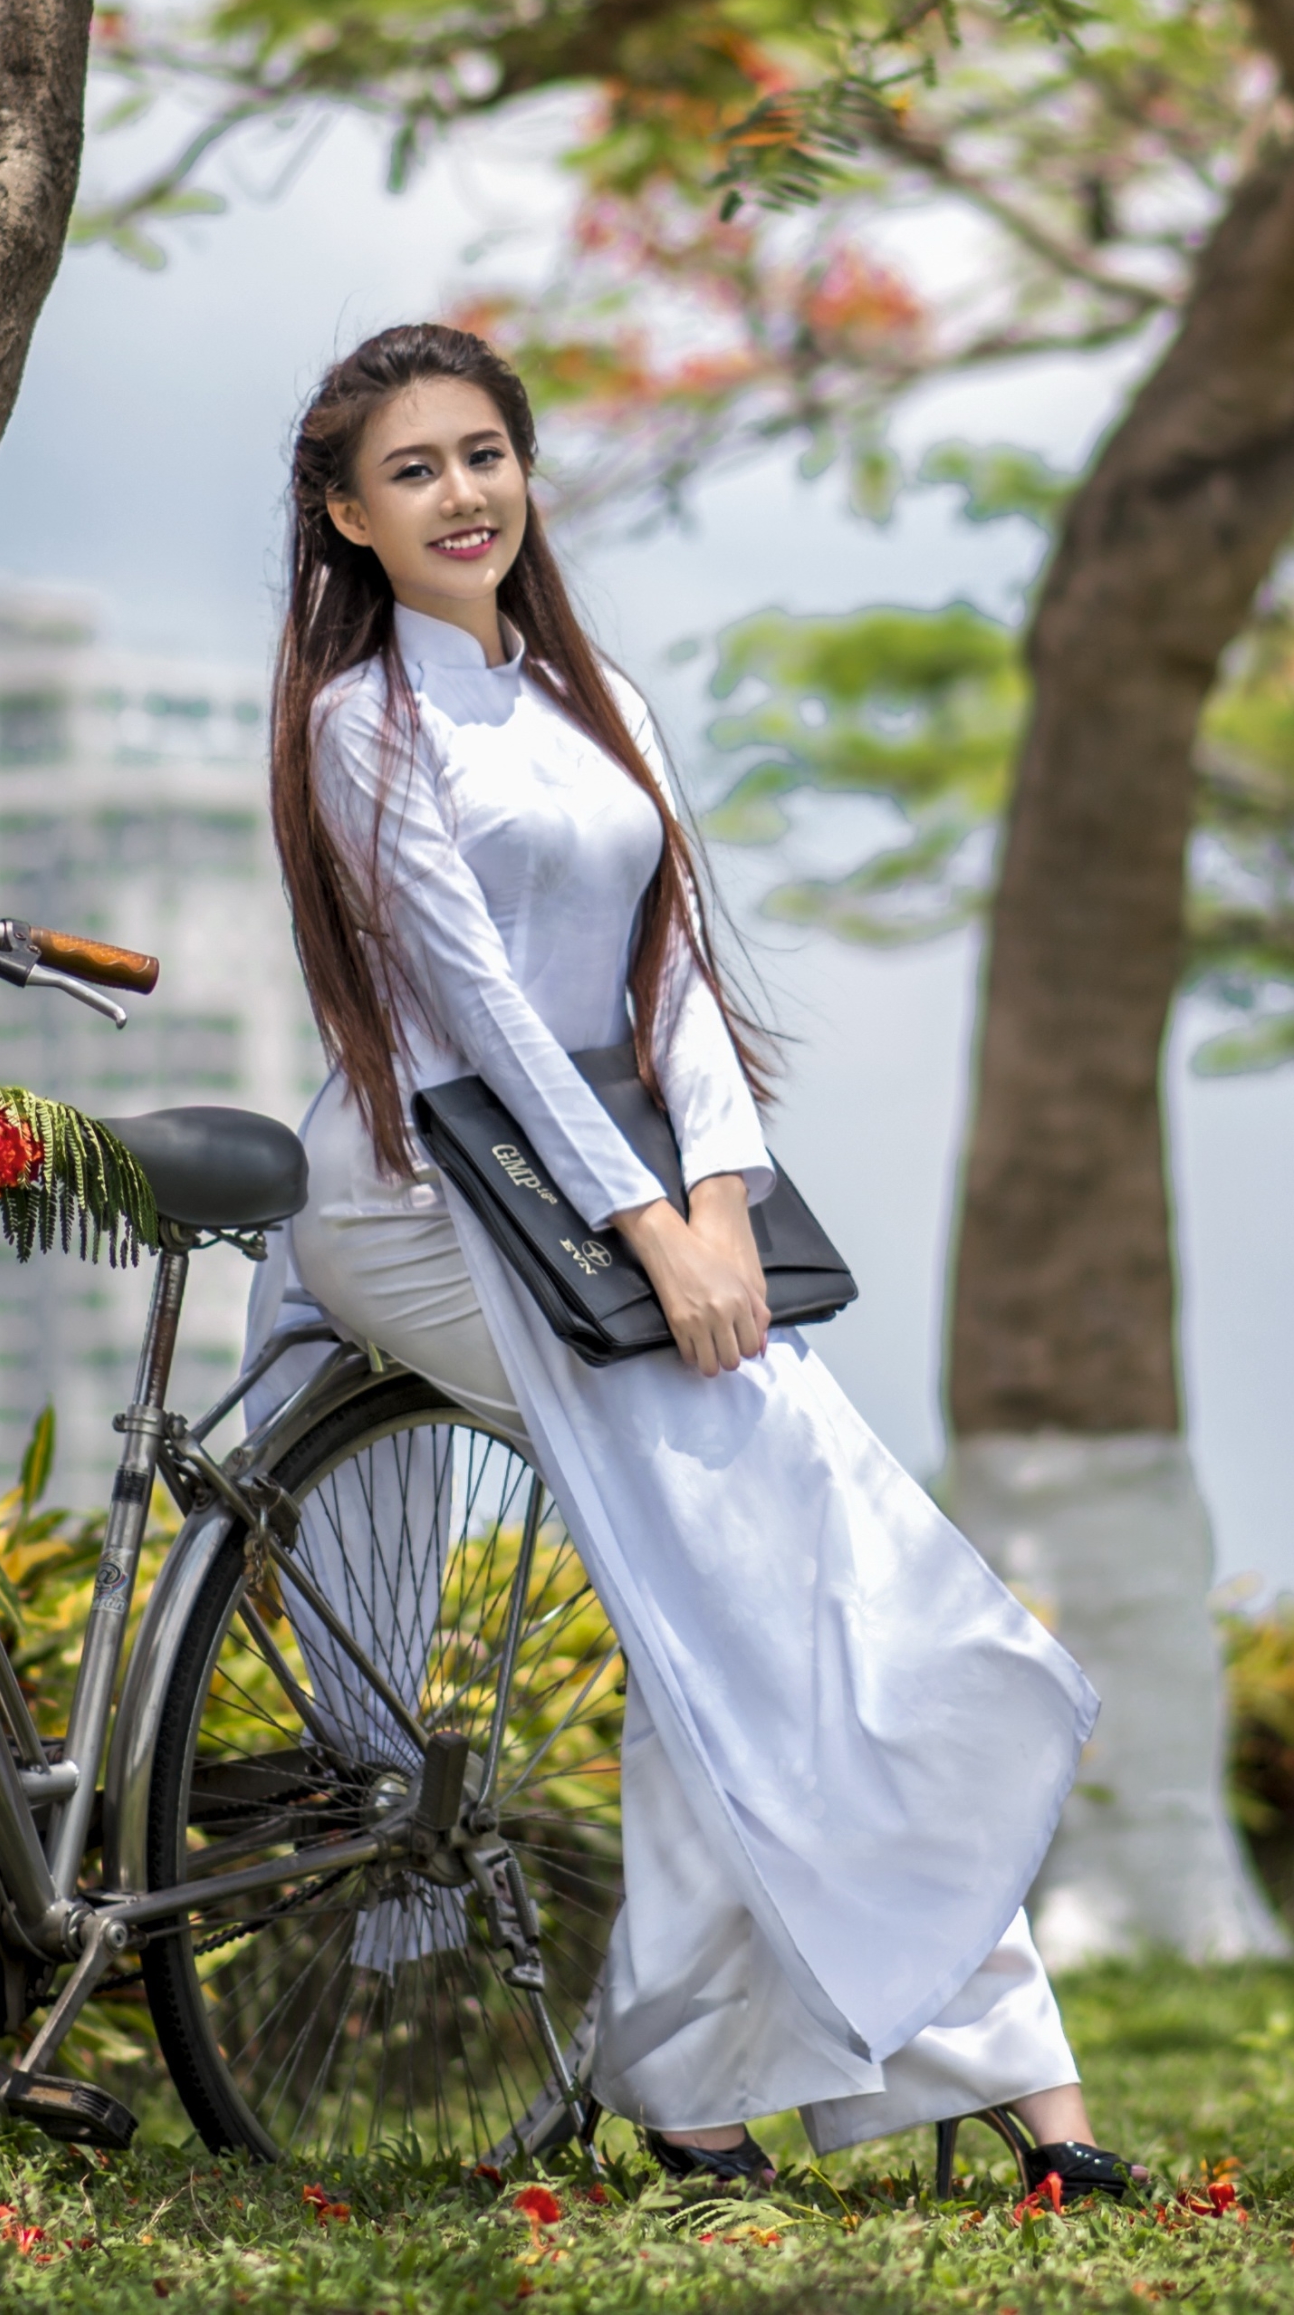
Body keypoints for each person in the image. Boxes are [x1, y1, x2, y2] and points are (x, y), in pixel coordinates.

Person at [246, 317, 1136, 2199]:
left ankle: (842, 2082)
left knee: (788, 1565)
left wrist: (719, 1194)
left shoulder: (604, 703)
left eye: (484, 454)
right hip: (424, 1199)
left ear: (527, 471)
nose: (461, 494)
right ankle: (922, 2085)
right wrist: (649, 1233)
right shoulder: (356, 727)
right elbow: (476, 1016)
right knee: (749, 1557)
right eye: (411, 471)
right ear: (346, 518)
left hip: (633, 1193)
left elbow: (673, 986)